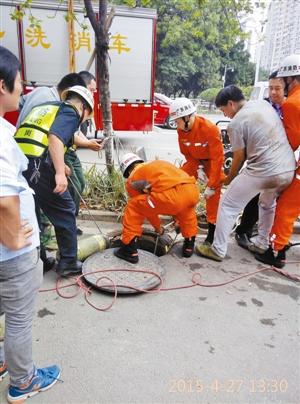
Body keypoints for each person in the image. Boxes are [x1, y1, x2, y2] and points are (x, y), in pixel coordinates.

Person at [0, 45, 60, 404]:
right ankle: (23, 383)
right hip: (11, 253)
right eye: (19, 82)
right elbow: (5, 198)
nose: (22, 89)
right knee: (19, 320)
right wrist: (13, 238)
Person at [197, 85, 295, 262]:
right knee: (267, 203)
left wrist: (228, 179)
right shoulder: (263, 105)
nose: (225, 115)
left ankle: (217, 249)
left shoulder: (236, 123)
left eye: (223, 110)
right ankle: (261, 243)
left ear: (231, 103)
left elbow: (239, 157)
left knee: (228, 205)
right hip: (287, 169)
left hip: (264, 170)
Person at [14, 85, 94, 277]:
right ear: (83, 107)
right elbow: (55, 137)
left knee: (33, 213)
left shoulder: (47, 108)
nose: (83, 119)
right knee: (65, 208)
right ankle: (68, 262)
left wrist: (60, 165)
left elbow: (41, 138)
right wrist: (59, 172)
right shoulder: (71, 111)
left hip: (20, 164)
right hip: (37, 167)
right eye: (87, 115)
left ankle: (39, 259)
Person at [255, 54, 300, 268]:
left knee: (286, 209)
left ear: (290, 79)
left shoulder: (292, 103)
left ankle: (277, 252)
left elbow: (291, 142)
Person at [114, 154, 199, 263]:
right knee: (187, 213)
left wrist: (158, 228)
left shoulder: (133, 178)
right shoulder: (155, 165)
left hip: (171, 197)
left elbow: (147, 209)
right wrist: (177, 219)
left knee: (133, 207)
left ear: (126, 171)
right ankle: (189, 247)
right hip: (192, 191)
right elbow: (176, 190)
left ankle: (129, 250)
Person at [235, 71, 286, 249]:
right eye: (270, 88)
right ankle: (243, 231)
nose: (273, 92)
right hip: (262, 161)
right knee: (255, 196)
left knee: (274, 202)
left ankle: (271, 237)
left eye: (277, 88)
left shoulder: (290, 108)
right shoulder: (265, 107)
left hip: (283, 162)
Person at [169, 97, 224, 245]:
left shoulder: (210, 129)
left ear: (187, 117)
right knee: (177, 182)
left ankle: (211, 235)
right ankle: (179, 221)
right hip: (195, 162)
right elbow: (187, 153)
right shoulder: (181, 130)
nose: (176, 124)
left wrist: (211, 185)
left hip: (213, 163)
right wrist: (199, 168)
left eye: (177, 121)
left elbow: (218, 158)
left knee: (212, 198)